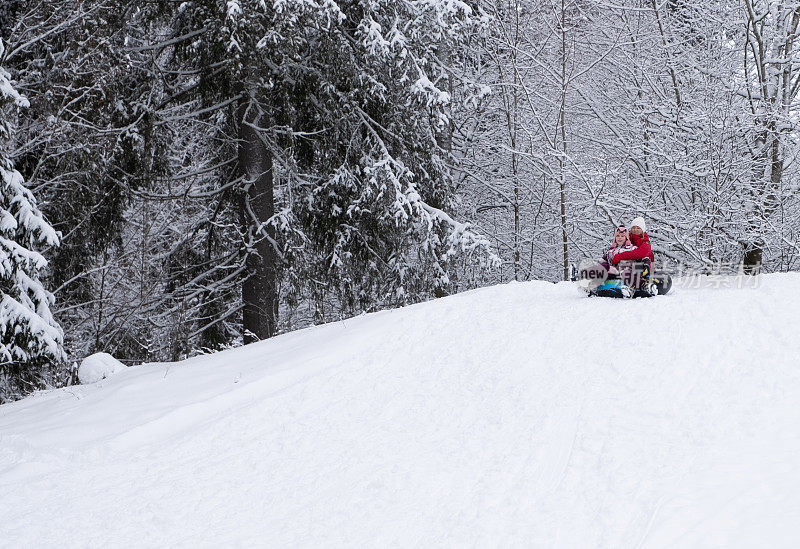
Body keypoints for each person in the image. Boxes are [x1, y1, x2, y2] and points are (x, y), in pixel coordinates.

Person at [611, 216, 653, 290]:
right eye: (633, 227)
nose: (635, 230)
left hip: (643, 265)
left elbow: (640, 253)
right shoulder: (628, 238)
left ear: (642, 229)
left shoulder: (645, 241)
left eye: (638, 228)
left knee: (630, 271)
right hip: (626, 265)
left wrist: (620, 256)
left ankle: (642, 285)